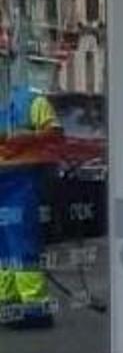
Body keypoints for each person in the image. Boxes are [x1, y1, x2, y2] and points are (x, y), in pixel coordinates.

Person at [0, 79, 59, 329]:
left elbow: (54, 132)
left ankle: (34, 308)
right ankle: (8, 302)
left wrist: (29, 138)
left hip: (21, 181)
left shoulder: (30, 100)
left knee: (21, 243)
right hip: (7, 182)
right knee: (3, 247)